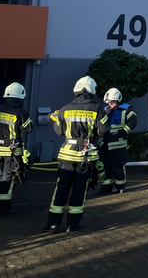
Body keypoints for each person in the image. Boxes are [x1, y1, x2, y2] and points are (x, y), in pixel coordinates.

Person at [43, 76, 109, 233]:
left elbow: (59, 131)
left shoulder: (65, 108)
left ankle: (53, 224)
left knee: (61, 188)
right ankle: (73, 224)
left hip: (67, 155)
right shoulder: (97, 108)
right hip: (85, 157)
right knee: (80, 189)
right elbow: (104, 130)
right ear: (92, 91)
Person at [0, 82, 34, 216]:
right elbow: (28, 129)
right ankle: (4, 208)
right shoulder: (21, 112)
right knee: (8, 179)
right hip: (12, 151)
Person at [98, 88, 137, 195]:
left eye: (112, 102)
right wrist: (104, 114)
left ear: (118, 100)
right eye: (108, 102)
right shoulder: (105, 110)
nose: (110, 104)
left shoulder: (127, 109)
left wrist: (122, 132)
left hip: (118, 143)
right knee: (106, 166)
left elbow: (133, 122)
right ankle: (106, 187)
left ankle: (121, 186)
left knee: (118, 165)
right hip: (106, 143)